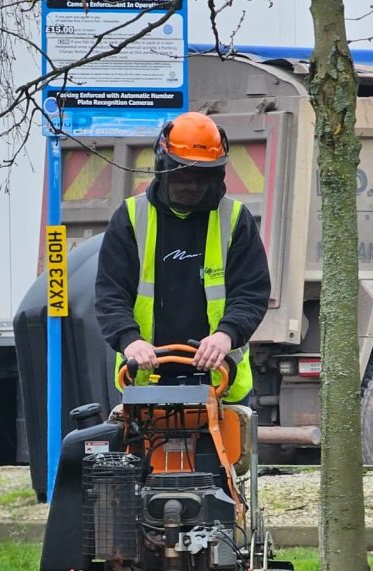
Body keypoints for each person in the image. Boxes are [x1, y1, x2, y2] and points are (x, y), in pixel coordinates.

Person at [95, 111, 271, 403]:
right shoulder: (130, 218)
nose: (190, 186)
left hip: (221, 383)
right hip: (146, 382)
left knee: (230, 450)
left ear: (215, 175)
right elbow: (110, 294)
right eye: (182, 175)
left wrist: (226, 334)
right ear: (162, 168)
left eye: (200, 177)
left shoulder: (235, 219)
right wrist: (130, 340)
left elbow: (251, 292)